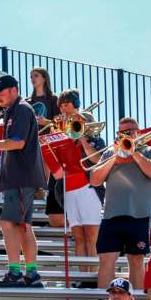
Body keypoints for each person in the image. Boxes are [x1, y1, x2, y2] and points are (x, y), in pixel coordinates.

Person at [0, 75, 46, 288]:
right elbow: (16, 146)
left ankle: (16, 273)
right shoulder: (16, 110)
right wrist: (0, 158)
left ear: (14, 89)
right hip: (21, 179)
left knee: (9, 223)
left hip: (21, 180)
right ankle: (31, 275)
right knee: (23, 226)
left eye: (1, 92)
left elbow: (17, 143)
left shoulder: (21, 109)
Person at [90, 117, 151, 290]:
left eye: (129, 132)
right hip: (111, 214)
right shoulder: (110, 153)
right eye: (122, 133)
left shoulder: (150, 151)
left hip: (139, 214)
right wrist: (115, 157)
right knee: (106, 258)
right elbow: (95, 180)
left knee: (136, 259)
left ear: (138, 132)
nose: (126, 135)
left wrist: (134, 152)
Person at [54, 89, 105, 274]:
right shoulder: (64, 138)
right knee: (78, 238)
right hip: (69, 189)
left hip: (88, 188)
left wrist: (82, 139)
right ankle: (84, 276)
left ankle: (93, 276)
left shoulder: (95, 138)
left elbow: (98, 160)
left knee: (91, 237)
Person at [29, 67, 64, 229]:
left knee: (45, 162)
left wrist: (46, 122)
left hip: (50, 139)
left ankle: (43, 189)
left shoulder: (53, 99)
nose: (32, 78)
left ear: (44, 78)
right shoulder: (28, 101)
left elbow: (60, 123)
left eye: (35, 76)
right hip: (32, 139)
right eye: (31, 76)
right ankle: (38, 189)